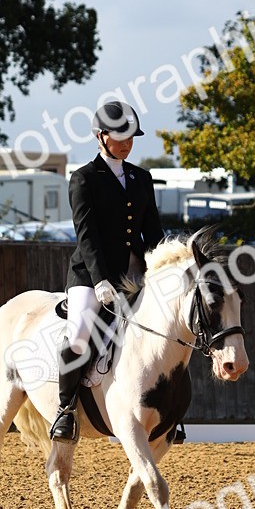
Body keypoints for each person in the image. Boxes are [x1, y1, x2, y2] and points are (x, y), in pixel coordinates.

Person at [49, 99, 165, 441]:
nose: (127, 143)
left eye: (132, 137)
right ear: (101, 137)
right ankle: (65, 409)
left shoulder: (141, 178)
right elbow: (88, 236)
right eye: (120, 136)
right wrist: (99, 280)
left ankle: (167, 408)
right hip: (91, 275)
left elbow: (153, 232)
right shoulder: (84, 179)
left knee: (165, 329)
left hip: (133, 273)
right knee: (81, 333)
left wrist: (162, 270)